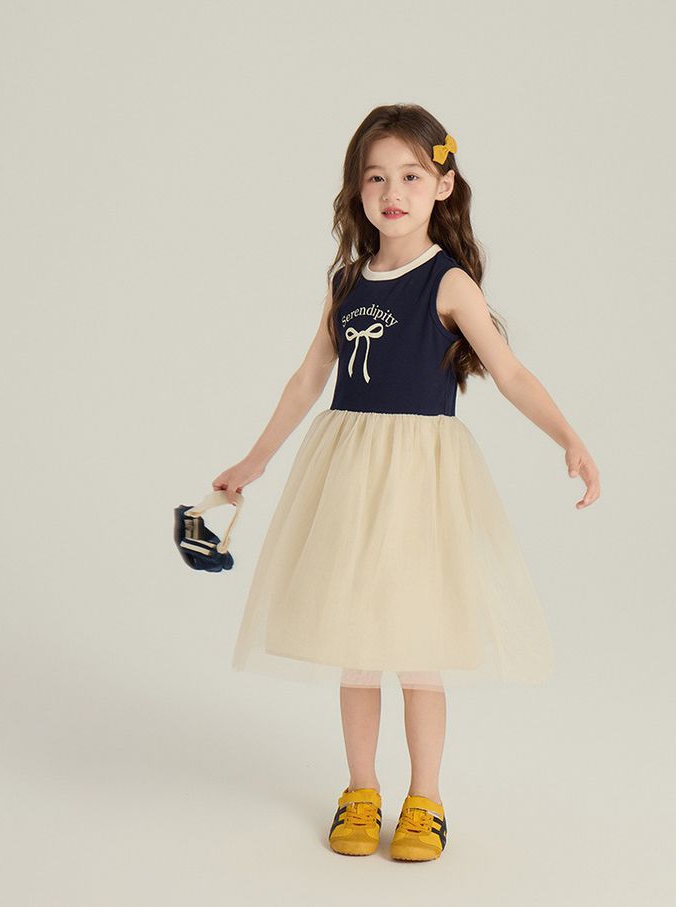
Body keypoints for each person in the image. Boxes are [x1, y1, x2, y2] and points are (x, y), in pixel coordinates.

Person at [211, 104, 600, 862]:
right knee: (355, 641)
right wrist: (253, 461)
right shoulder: (347, 282)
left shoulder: (447, 283)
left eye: (412, 176)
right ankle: (361, 788)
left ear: (442, 186)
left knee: (419, 646)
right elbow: (306, 381)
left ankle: (426, 798)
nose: (393, 192)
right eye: (376, 178)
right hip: (349, 475)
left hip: (420, 480)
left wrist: (569, 437)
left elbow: (509, 371)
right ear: (356, 190)